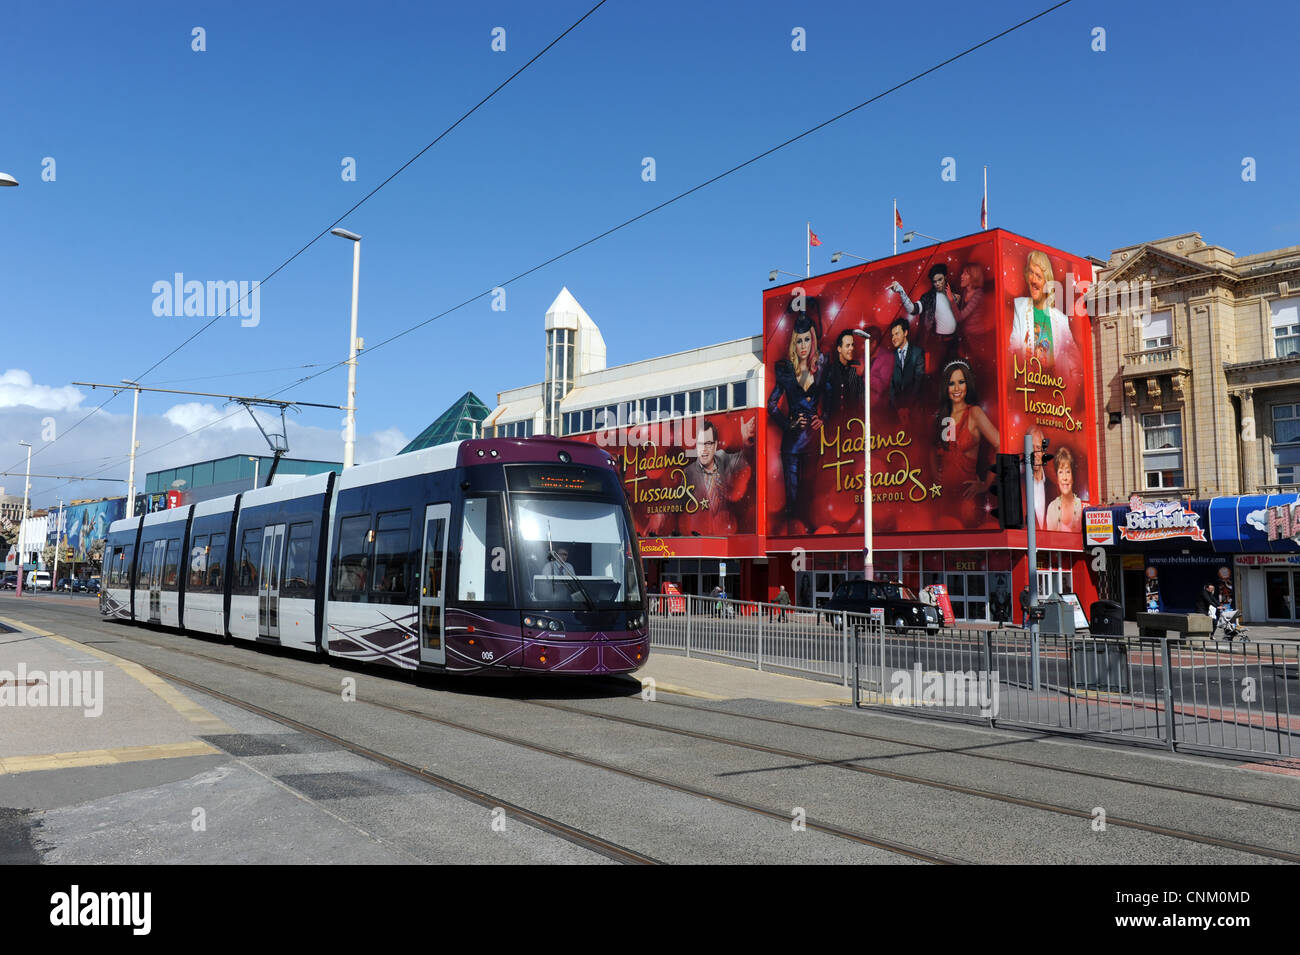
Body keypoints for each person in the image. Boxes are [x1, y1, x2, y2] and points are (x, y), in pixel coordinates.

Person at [767, 313, 824, 521]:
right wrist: (789, 424)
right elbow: (771, 405)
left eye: (807, 339)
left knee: (810, 498)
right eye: (798, 340)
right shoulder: (786, 371)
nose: (803, 345)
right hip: (791, 445)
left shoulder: (821, 366)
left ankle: (809, 546)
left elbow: (832, 393)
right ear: (793, 342)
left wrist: (823, 417)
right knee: (793, 501)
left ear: (813, 340)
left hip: (813, 443)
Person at [933, 360, 1000, 524]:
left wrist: (986, 483)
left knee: (967, 543)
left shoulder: (974, 413)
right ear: (945, 387)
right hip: (943, 497)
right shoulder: (944, 417)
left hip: (967, 498)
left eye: (961, 382)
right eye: (952, 383)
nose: (956, 389)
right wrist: (936, 473)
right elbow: (936, 450)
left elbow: (1000, 444)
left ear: (967, 384)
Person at [681, 417, 756, 536]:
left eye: (708, 444)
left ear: (715, 445)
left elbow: (742, 460)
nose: (704, 449)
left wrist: (745, 442)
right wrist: (661, 514)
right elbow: (677, 502)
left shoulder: (723, 458)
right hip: (701, 535)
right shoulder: (688, 473)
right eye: (700, 444)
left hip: (728, 532)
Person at [1009, 249, 1075, 367]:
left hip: (1054, 383)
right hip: (1027, 381)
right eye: (1031, 273)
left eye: (1038, 276)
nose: (1033, 280)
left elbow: (1074, 361)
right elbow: (1012, 349)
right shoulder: (1019, 307)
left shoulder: (1061, 320)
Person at [889, 264, 960, 370]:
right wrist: (901, 292)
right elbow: (913, 309)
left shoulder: (955, 295)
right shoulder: (928, 298)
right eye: (934, 281)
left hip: (955, 342)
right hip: (937, 344)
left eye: (940, 280)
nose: (938, 284)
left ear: (945, 277)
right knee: (937, 374)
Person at [821, 329, 865, 420]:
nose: (851, 348)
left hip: (854, 424)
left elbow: (862, 398)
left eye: (852, 345)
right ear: (839, 349)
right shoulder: (830, 371)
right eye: (848, 345)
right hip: (833, 425)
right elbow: (825, 399)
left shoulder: (856, 368)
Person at [887, 317, 925, 416]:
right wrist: (898, 408)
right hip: (895, 411)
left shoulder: (917, 353)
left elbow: (919, 381)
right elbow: (891, 385)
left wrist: (908, 407)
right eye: (892, 335)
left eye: (897, 334)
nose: (893, 338)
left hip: (915, 409)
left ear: (905, 333)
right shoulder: (891, 357)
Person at [1046, 446, 1083, 532]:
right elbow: (1050, 541)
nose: (1064, 478)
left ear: (1073, 477)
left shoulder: (1081, 506)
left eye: (1068, 471)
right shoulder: (1052, 507)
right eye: (1061, 472)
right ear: (1057, 478)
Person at [1027, 426, 1057, 529]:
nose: (1035, 454)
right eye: (1031, 448)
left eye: (1038, 448)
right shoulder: (1019, 485)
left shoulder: (1054, 489)